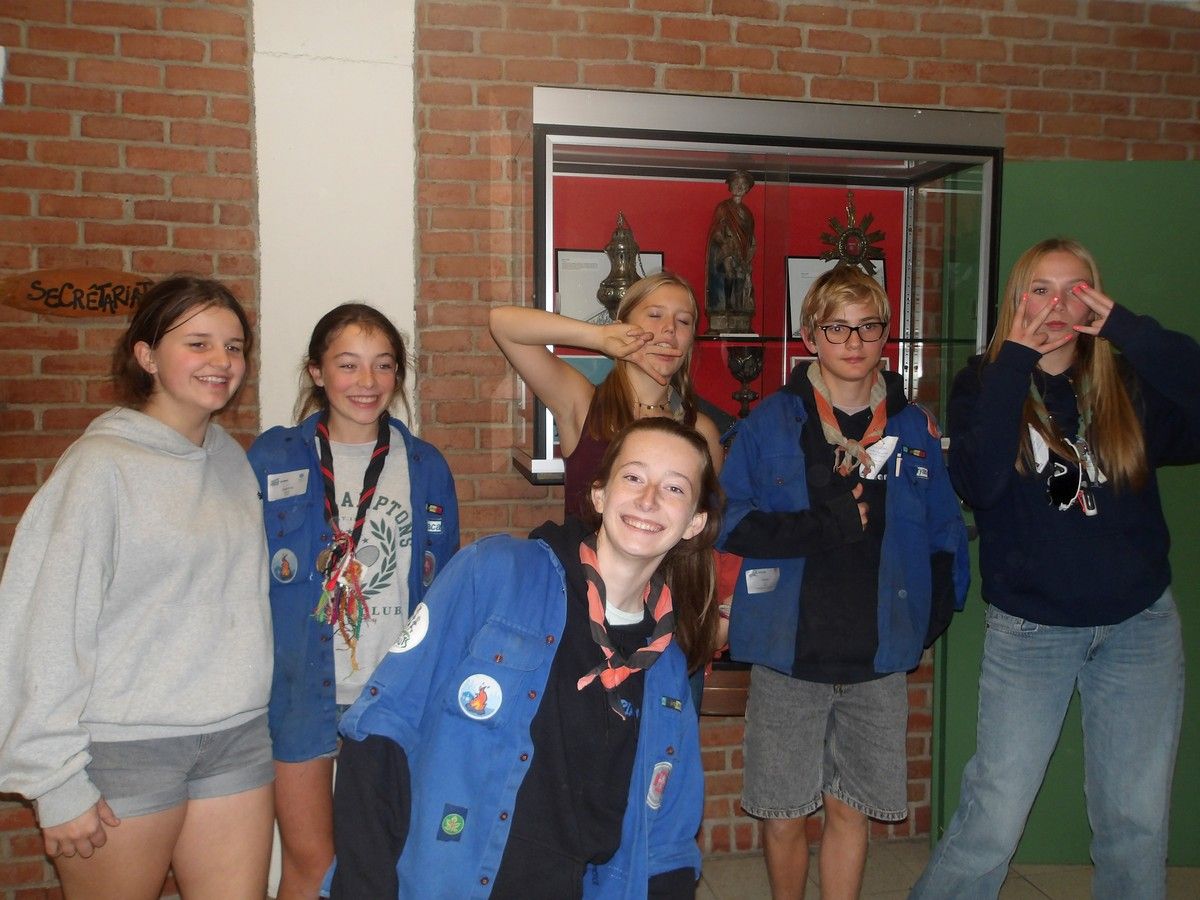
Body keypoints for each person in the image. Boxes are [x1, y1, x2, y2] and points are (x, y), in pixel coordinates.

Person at [911, 238, 1200, 900]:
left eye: (1076, 290)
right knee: (994, 814)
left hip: (1140, 628)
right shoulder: (985, 384)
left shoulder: (1125, 383)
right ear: (1017, 300)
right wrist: (1016, 358)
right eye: (1041, 289)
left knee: (1136, 821)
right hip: (1032, 631)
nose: (1058, 305)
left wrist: (1128, 330)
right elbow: (979, 484)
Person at [328, 417, 722, 898]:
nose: (649, 499)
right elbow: (381, 731)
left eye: (675, 488)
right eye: (634, 476)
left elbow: (666, 846)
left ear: (695, 523)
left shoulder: (667, 668)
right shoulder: (496, 574)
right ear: (600, 494)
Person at [0, 276, 274, 899]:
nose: (221, 361)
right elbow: (43, 622)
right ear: (147, 355)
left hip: (236, 738)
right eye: (198, 343)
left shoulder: (232, 460)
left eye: (234, 347)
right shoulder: (99, 466)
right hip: (127, 747)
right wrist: (53, 778)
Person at [718, 266, 969, 900]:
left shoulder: (913, 428)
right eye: (837, 328)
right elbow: (729, 521)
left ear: (886, 333)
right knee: (782, 813)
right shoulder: (771, 423)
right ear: (810, 335)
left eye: (867, 327)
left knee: (850, 808)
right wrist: (818, 527)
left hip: (877, 657)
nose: (853, 342)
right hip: (789, 651)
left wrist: (930, 618)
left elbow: (945, 533)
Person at [247, 303, 459, 900]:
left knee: (382, 862)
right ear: (316, 372)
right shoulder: (274, 457)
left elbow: (442, 589)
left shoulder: (425, 466)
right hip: (299, 693)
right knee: (311, 865)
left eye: (383, 365)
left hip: (394, 694)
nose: (367, 382)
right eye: (348, 364)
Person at [489, 270, 724, 521]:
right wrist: (599, 336)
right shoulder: (583, 404)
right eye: (655, 315)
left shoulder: (702, 431)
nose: (669, 329)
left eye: (684, 321)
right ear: (624, 326)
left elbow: (702, 524)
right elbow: (502, 322)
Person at [705, 169, 756, 333]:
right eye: (736, 184)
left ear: (747, 189)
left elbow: (750, 236)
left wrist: (748, 252)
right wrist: (725, 243)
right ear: (730, 186)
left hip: (741, 252)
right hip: (726, 250)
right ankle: (725, 305)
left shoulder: (747, 213)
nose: (739, 187)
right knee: (728, 275)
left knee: (740, 277)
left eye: (743, 185)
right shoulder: (723, 208)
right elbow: (716, 231)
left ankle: (738, 306)